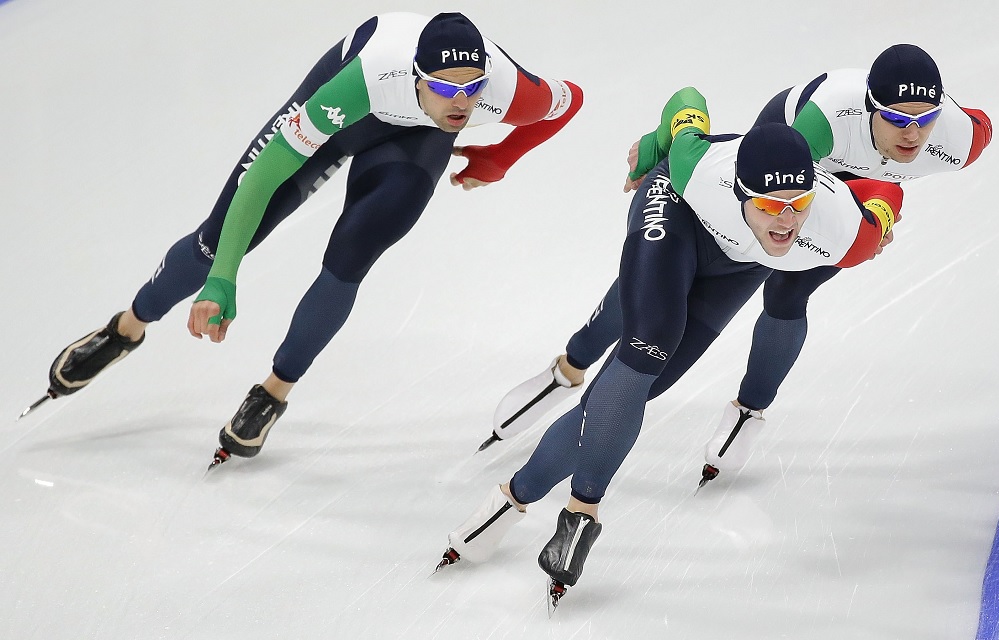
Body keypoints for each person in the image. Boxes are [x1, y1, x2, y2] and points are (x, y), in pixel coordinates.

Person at [27, 12, 583, 468]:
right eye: (443, 87)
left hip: (415, 141)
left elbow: (571, 99)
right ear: (417, 76)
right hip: (345, 116)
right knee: (216, 242)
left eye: (471, 88)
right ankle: (127, 327)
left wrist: (501, 156)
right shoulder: (364, 79)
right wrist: (224, 278)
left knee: (351, 255)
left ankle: (272, 392)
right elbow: (264, 175)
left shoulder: (508, 92)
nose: (460, 103)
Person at [438, 87, 904, 602]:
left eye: (798, 204)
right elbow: (688, 100)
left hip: (737, 266)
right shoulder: (699, 170)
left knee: (630, 394)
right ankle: (580, 511)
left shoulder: (839, 230)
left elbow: (886, 192)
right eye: (771, 204)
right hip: (675, 214)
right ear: (741, 192)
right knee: (646, 339)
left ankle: (513, 497)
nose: (787, 220)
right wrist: (657, 142)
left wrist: (881, 212)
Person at [480, 43, 991, 488]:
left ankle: (749, 410)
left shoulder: (959, 139)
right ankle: (572, 364)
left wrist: (881, 210)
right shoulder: (822, 123)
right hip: (783, 180)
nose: (912, 134)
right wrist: (660, 148)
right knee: (659, 287)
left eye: (923, 120)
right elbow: (752, 177)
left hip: (831, 203)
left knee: (788, 294)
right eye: (898, 120)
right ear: (869, 108)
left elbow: (890, 180)